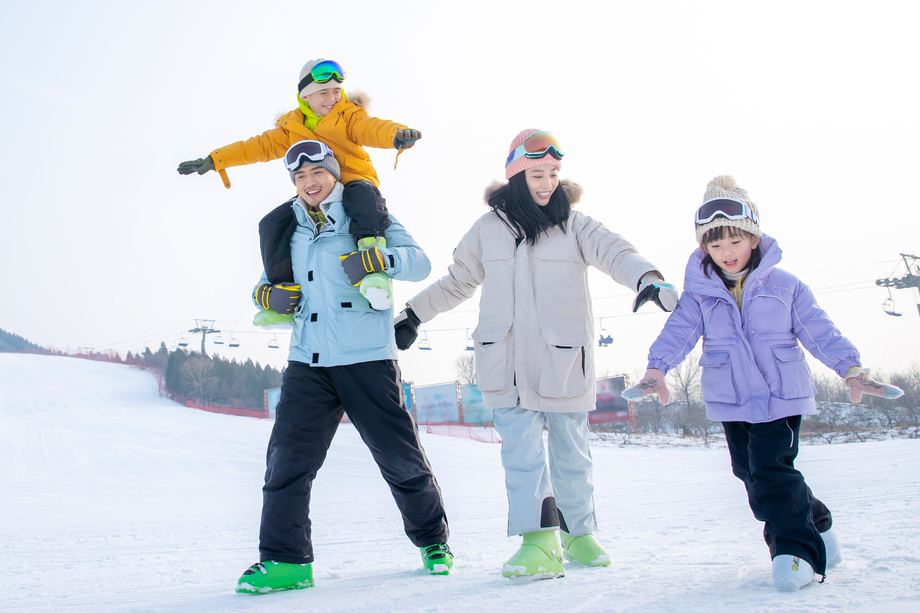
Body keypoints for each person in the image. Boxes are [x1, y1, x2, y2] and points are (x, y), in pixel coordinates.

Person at [392, 129, 678, 581]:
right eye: (536, 175)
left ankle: (579, 534)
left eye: (552, 174)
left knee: (571, 453)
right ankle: (539, 541)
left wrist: (648, 277)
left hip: (562, 361)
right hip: (503, 362)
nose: (546, 184)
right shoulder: (488, 230)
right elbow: (456, 281)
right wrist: (413, 314)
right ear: (516, 178)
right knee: (522, 455)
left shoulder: (575, 225)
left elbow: (616, 251)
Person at [623, 175, 903, 591]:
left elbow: (819, 330)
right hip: (731, 399)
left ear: (754, 238)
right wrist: (656, 369)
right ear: (704, 248)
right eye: (715, 245)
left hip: (780, 397)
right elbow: (677, 333)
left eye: (734, 242)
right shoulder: (699, 295)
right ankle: (819, 523)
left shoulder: (785, 285)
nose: (726, 253)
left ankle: (797, 552)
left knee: (771, 471)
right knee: (749, 473)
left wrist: (850, 368)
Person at [236, 140, 451, 595]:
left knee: (398, 456)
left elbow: (419, 262)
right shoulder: (286, 229)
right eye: (299, 177)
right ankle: (285, 560)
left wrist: (380, 259)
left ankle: (433, 542)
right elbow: (264, 285)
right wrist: (266, 297)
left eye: (317, 173)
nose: (309, 183)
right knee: (287, 462)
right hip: (307, 362)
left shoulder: (366, 216)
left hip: (367, 358)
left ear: (333, 173)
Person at [177, 58, 421, 314]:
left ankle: (372, 269)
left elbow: (373, 128)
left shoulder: (349, 116)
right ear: (305, 96)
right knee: (271, 223)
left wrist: (396, 134)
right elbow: (255, 147)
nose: (332, 98)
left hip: (352, 181)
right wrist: (215, 159)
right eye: (323, 93)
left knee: (362, 198)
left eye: (337, 91)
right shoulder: (291, 127)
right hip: (314, 193)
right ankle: (281, 290)